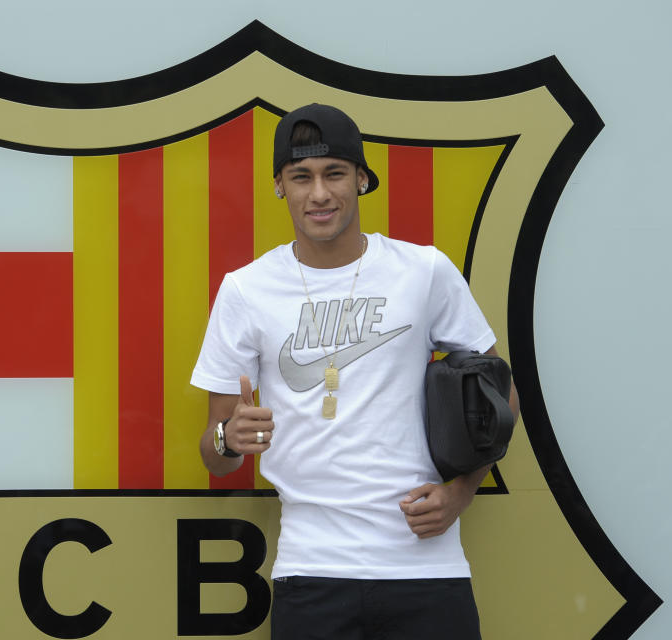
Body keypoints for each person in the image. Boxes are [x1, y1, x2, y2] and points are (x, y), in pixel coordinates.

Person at [190, 103, 519, 639]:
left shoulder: (423, 271)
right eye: (301, 177)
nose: (318, 194)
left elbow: (501, 395)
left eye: (334, 173)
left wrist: (462, 491)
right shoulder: (246, 290)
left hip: (425, 566)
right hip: (310, 571)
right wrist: (230, 437)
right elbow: (215, 456)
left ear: (362, 179)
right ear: (279, 186)